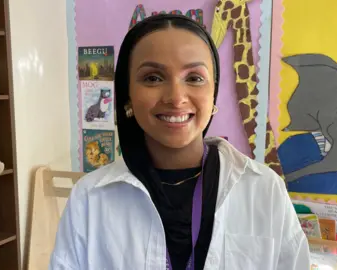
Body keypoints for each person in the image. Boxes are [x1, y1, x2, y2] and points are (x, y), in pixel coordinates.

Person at [49, 14, 310, 270]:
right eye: (153, 78)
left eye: (194, 78)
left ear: (213, 91)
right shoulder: (90, 199)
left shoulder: (264, 190)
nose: (176, 97)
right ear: (127, 94)